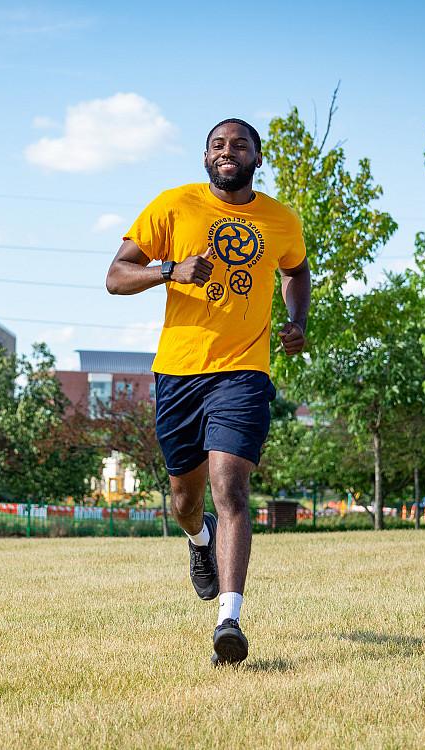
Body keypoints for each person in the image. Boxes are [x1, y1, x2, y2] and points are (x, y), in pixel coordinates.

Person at [105, 118, 311, 665]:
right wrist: (170, 270)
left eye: (239, 145)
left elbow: (296, 271)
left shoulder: (280, 220)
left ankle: (229, 620)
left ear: (257, 158)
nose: (228, 152)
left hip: (244, 371)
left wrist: (297, 320)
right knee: (184, 501)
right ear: (204, 158)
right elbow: (116, 275)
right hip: (178, 372)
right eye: (218, 145)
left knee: (232, 488)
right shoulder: (173, 206)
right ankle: (200, 543)